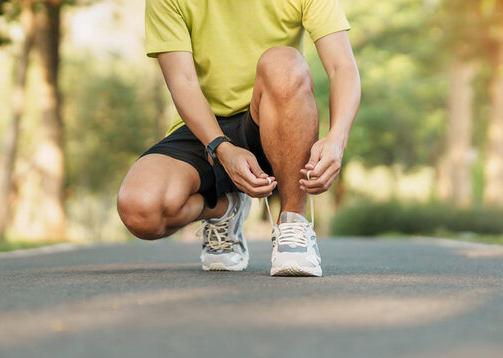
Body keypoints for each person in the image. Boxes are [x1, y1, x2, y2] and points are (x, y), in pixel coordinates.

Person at [117, 0, 360, 277]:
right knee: (140, 210)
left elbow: (342, 67)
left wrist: (337, 138)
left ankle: (293, 222)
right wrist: (221, 147)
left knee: (283, 62)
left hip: (274, 117)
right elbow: (183, 82)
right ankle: (224, 208)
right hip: (204, 126)